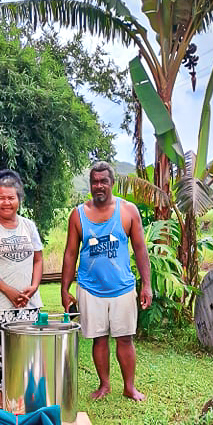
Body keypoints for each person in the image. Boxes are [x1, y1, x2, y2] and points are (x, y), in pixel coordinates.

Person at [61, 161, 152, 401]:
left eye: (103, 181)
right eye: (94, 181)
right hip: (90, 288)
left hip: (122, 287)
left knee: (125, 338)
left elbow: (141, 249)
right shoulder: (78, 215)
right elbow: (70, 253)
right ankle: (104, 385)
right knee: (99, 339)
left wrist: (147, 285)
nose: (98, 186)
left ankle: (129, 387)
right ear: (90, 184)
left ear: (112, 183)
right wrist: (64, 288)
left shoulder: (128, 211)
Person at [0, 170, 43, 407]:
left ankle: (24, 398)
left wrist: (33, 286)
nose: (7, 202)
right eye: (1, 197)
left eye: (11, 197)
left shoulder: (28, 226)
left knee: (27, 351)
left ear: (19, 199)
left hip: (28, 303)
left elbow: (38, 259)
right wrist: (8, 291)